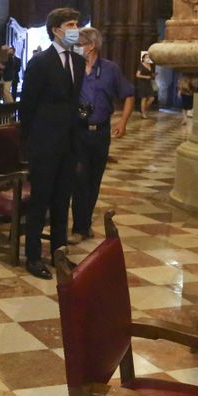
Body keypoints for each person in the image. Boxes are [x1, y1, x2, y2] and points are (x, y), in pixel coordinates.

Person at [17, 7, 83, 279]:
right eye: (70, 24)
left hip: (68, 142)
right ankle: (33, 257)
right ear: (56, 30)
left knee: (62, 200)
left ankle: (59, 252)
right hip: (44, 143)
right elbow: (27, 106)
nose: (75, 29)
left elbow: (73, 101)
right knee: (40, 201)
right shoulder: (40, 62)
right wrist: (29, 145)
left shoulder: (77, 62)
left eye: (77, 24)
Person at [72, 27, 135, 239]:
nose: (77, 48)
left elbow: (128, 94)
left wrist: (123, 121)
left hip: (100, 132)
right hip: (78, 131)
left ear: (91, 46)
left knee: (93, 180)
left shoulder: (110, 69)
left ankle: (85, 222)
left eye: (79, 44)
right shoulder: (74, 67)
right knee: (79, 178)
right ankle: (79, 227)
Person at [133, 48, 157, 117]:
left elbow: (150, 73)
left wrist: (153, 75)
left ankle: (143, 110)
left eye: (148, 57)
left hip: (148, 83)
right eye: (146, 57)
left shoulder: (150, 65)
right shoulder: (141, 65)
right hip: (142, 83)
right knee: (144, 98)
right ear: (143, 59)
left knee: (152, 98)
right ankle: (143, 113)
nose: (148, 59)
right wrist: (145, 77)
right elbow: (137, 75)